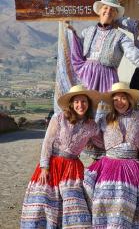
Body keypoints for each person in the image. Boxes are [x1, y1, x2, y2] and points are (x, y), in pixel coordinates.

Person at [21, 85, 103, 228]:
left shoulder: (92, 126)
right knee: (44, 200)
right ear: (71, 104)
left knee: (72, 202)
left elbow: (101, 143)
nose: (80, 105)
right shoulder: (59, 118)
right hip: (53, 164)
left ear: (88, 104)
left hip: (72, 167)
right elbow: (47, 143)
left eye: (84, 101)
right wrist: (44, 167)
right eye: (77, 101)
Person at [83, 82, 139, 228]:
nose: (119, 102)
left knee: (126, 200)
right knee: (101, 197)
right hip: (109, 165)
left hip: (131, 167)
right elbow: (97, 140)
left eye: (122, 98)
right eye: (115, 99)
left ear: (129, 99)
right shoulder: (104, 120)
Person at [66, 0, 139, 93]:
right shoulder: (87, 32)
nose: (108, 11)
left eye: (112, 10)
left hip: (107, 78)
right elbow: (77, 51)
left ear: (115, 15)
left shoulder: (120, 37)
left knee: (105, 106)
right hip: (87, 76)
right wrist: (72, 33)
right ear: (100, 11)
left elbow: (134, 54)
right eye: (105, 8)